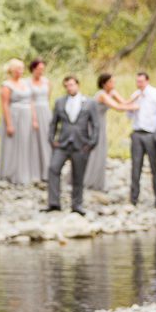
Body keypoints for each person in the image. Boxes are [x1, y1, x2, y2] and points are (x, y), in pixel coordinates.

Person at [45, 75, 100, 214]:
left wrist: (92, 142)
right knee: (53, 169)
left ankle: (77, 205)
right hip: (62, 143)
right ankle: (54, 203)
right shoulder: (59, 102)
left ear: (77, 85)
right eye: (67, 86)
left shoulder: (89, 103)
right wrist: (51, 139)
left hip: (81, 144)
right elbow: (54, 123)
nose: (69, 88)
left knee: (78, 175)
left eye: (71, 85)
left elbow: (95, 124)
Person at [127, 71, 156, 207]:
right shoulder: (135, 95)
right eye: (137, 81)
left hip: (151, 134)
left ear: (147, 81)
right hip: (137, 133)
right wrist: (131, 107)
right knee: (136, 167)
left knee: (154, 167)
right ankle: (134, 198)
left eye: (141, 81)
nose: (139, 84)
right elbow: (129, 116)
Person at [84, 73, 138, 191]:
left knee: (102, 149)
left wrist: (136, 96)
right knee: (95, 149)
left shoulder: (112, 92)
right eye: (111, 82)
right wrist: (136, 107)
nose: (113, 84)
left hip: (102, 122)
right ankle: (88, 179)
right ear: (104, 84)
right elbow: (118, 108)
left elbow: (124, 102)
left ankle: (97, 180)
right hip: (94, 124)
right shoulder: (102, 95)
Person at [0, 58, 40, 184]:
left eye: (22, 68)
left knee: (26, 142)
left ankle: (26, 172)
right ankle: (11, 173)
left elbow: (31, 101)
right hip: (14, 116)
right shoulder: (7, 85)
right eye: (18, 69)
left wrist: (34, 119)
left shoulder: (26, 83)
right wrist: (9, 124)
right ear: (12, 70)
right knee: (13, 143)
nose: (20, 71)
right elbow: (5, 105)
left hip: (27, 116)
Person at [28, 58, 53, 180]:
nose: (41, 71)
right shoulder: (27, 82)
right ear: (33, 69)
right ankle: (34, 170)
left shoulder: (47, 82)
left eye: (43, 69)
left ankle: (47, 169)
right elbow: (30, 101)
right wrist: (34, 118)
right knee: (34, 140)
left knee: (46, 139)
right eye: (39, 69)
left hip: (45, 111)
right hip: (33, 111)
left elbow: (47, 98)